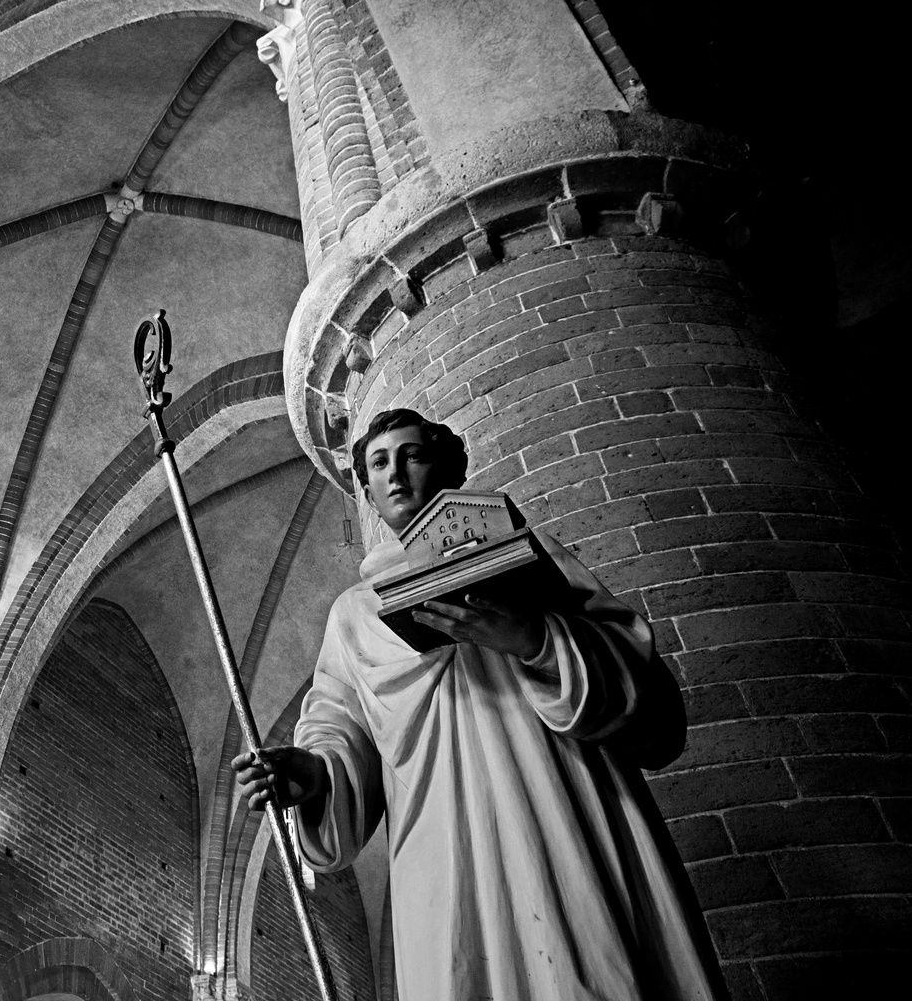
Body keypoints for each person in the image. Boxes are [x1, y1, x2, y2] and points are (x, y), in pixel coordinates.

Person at [233, 408, 724, 1001]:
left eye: (412, 456)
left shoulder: (523, 551)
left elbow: (639, 685)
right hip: (442, 846)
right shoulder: (354, 616)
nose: (395, 476)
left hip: (558, 798)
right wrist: (308, 775)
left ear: (446, 466)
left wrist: (533, 638)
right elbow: (340, 732)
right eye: (378, 464)